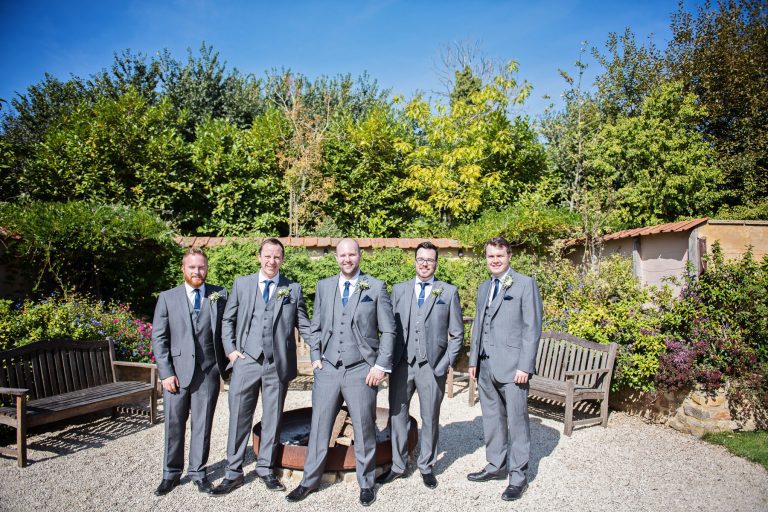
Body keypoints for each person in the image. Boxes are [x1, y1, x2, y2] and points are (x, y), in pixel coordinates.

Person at [286, 238, 395, 507]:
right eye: (342, 255)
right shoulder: (324, 286)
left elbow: (389, 330)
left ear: (360, 256)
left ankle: (366, 483)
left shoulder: (376, 286)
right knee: (320, 426)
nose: (347, 259)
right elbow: (315, 325)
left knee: (365, 428)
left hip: (361, 370)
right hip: (328, 368)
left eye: (352, 254)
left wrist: (380, 366)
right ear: (336, 257)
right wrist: (315, 357)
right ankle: (308, 481)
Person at [211, 238, 311, 495]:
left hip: (276, 365)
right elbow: (227, 320)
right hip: (246, 362)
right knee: (238, 418)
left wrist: (323, 350)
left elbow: (304, 324)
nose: (272, 261)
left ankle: (266, 468)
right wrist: (231, 351)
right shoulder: (242, 285)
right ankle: (233, 472)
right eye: (268, 255)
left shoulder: (293, 288)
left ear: (282, 260)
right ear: (259, 257)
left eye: (277, 256)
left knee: (273, 418)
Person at [377, 241, 463, 490]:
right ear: (415, 261)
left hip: (431, 366)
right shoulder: (399, 290)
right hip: (402, 364)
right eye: (421, 259)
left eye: (430, 260)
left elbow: (457, 334)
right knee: (398, 416)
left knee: (430, 417)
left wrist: (445, 364)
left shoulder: (447, 292)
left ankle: (427, 466)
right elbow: (389, 329)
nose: (425, 264)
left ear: (436, 263)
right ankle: (398, 465)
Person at [466, 236, 543, 501]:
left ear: (509, 256)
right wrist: (473, 360)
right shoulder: (483, 288)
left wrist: (525, 365)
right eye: (490, 256)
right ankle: (495, 465)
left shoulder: (525, 284)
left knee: (518, 422)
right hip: (486, 366)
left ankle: (518, 477)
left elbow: (532, 329)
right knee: (492, 419)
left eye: (499, 256)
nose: (495, 261)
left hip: (513, 369)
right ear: (486, 258)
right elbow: (478, 324)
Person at [152, 247, 229, 496]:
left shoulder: (220, 294)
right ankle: (171, 474)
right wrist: (166, 373)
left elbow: (227, 330)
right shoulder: (167, 297)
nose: (197, 271)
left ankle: (198, 472)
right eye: (192, 267)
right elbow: (159, 338)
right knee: (174, 424)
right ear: (183, 269)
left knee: (202, 425)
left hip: (208, 372)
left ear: (207, 268)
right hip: (176, 374)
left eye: (202, 267)